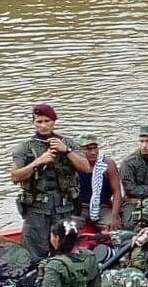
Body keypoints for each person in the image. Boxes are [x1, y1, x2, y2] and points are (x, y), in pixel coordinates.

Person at [9, 103, 91, 262]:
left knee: (66, 247)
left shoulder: (68, 143)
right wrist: (37, 162)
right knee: (34, 251)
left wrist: (66, 151)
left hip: (64, 207)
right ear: (33, 123)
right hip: (37, 209)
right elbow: (15, 176)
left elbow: (86, 167)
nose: (43, 125)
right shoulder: (25, 147)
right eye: (39, 122)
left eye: (47, 121)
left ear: (54, 121)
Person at [76, 133, 122, 232]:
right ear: (79, 150)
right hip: (79, 207)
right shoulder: (74, 164)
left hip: (102, 207)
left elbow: (117, 192)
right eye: (88, 149)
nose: (93, 152)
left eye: (95, 148)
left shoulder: (108, 164)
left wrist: (114, 217)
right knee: (65, 231)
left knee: (115, 232)